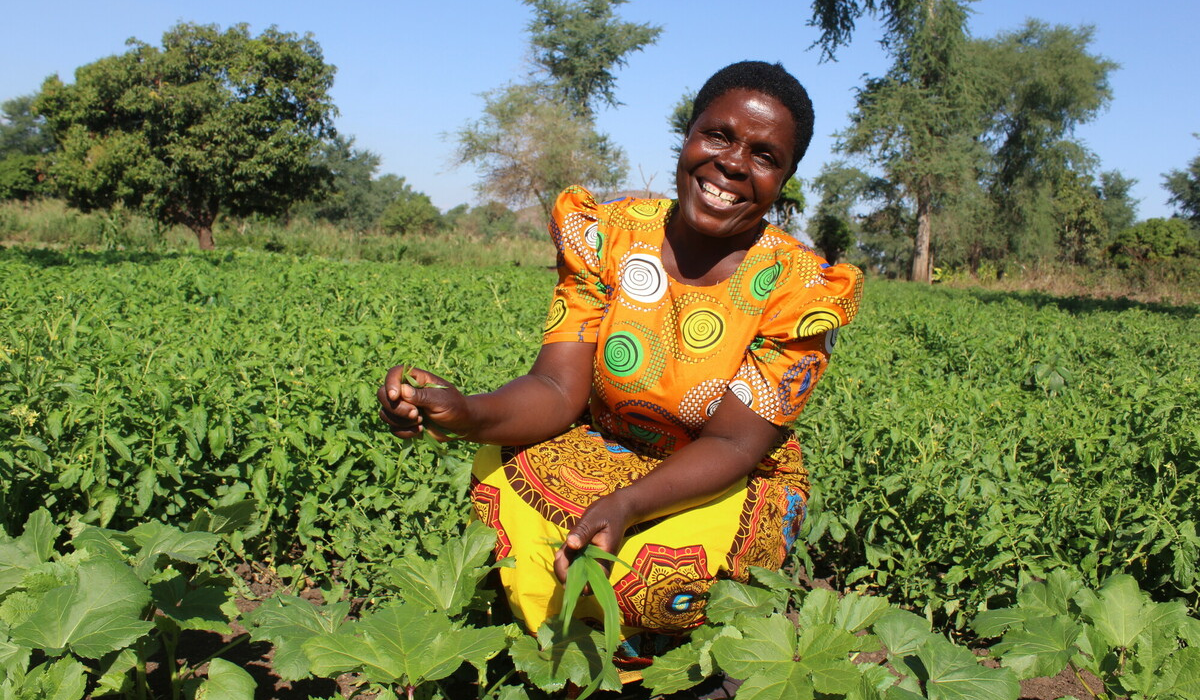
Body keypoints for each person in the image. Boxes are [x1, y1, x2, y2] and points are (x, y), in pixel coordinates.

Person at [378, 60, 863, 692]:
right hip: (607, 443)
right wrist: (464, 411)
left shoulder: (797, 288)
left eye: (764, 155)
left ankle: (685, 672)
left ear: (785, 178)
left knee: (655, 572)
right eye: (718, 136)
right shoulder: (608, 235)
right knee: (505, 488)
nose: (734, 164)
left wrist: (628, 504)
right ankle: (552, 655)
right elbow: (557, 390)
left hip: (723, 471)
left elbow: (735, 443)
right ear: (687, 136)